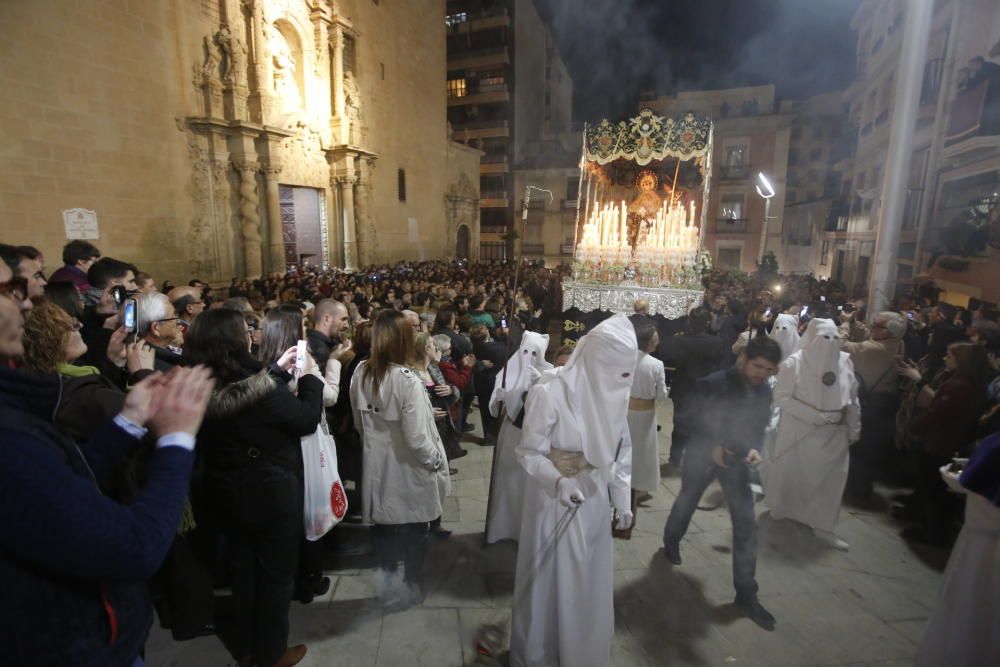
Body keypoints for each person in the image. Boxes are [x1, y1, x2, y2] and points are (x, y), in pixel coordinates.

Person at [0, 338, 214, 667]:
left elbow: (66, 480)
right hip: (73, 648)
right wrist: (177, 437)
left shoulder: (16, 410)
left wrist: (130, 418)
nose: (26, 298)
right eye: (10, 289)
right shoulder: (10, 436)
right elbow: (134, 547)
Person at [185, 308, 324, 667]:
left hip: (225, 490)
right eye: (246, 329)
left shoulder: (198, 380)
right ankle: (272, 652)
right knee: (276, 576)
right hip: (269, 490)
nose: (251, 334)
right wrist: (310, 379)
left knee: (244, 570)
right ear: (234, 339)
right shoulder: (255, 385)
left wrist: (275, 372)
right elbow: (305, 419)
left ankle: (247, 647)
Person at [510, 315, 636, 667]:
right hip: (553, 500)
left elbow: (621, 450)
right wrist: (559, 482)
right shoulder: (550, 391)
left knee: (586, 578)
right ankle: (542, 651)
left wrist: (622, 500)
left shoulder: (613, 394)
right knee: (552, 579)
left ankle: (583, 651)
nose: (619, 381)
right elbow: (528, 452)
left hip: (593, 499)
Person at [663, 336, 781, 630]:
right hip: (703, 456)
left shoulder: (764, 390)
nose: (762, 375)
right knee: (687, 501)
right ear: (743, 358)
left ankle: (746, 594)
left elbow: (758, 425)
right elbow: (687, 417)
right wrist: (711, 442)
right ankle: (671, 541)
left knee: (746, 524)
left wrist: (754, 448)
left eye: (769, 370)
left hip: (737, 463)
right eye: (758, 366)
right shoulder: (713, 383)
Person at [350, 310, 451, 610]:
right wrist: (435, 462)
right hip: (409, 470)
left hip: (378, 468)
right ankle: (411, 588)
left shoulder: (361, 372)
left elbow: (358, 423)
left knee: (384, 534)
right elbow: (417, 438)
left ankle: (389, 588)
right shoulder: (407, 380)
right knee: (414, 534)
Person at [763, 318, 861, 551]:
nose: (830, 343)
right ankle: (784, 509)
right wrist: (813, 416)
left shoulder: (845, 363)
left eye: (835, 337)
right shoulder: (794, 363)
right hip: (800, 430)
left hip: (834, 433)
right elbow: (782, 397)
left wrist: (855, 427)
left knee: (831, 482)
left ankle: (823, 526)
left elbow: (854, 399)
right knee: (792, 473)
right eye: (825, 337)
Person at [916, 431, 1000, 666]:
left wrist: (962, 474)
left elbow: (975, 483)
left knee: (970, 609)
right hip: (983, 536)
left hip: (983, 542)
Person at [484, 330, 552, 544]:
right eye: (526, 351)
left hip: (534, 438)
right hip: (512, 433)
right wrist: (500, 397)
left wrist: (539, 385)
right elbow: (495, 404)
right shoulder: (510, 369)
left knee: (525, 485)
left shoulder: (550, 373)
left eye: (535, 352)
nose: (530, 356)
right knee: (507, 482)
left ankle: (524, 530)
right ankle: (501, 529)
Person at [839, 310, 905, 502]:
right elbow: (868, 333)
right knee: (869, 449)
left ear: (888, 331)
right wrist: (854, 322)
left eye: (877, 325)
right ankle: (861, 487)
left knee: (860, 449)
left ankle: (856, 490)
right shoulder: (898, 343)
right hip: (885, 403)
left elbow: (840, 345)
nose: (872, 328)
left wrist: (844, 325)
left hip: (872, 405)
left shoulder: (874, 349)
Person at [662, 307, 726, 465]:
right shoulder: (716, 342)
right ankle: (695, 459)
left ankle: (675, 458)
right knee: (701, 425)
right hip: (705, 389)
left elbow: (670, 359)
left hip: (683, 387)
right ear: (707, 323)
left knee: (680, 425)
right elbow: (719, 365)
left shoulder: (679, 340)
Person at [626, 315, 669, 509]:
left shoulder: (624, 359)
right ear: (651, 344)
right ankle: (640, 486)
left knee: (625, 447)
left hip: (625, 411)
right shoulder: (656, 365)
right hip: (645, 415)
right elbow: (661, 395)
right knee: (643, 451)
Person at [135, 291, 185, 374]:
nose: (178, 321)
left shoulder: (141, 353)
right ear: (156, 328)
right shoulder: (164, 372)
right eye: (173, 317)